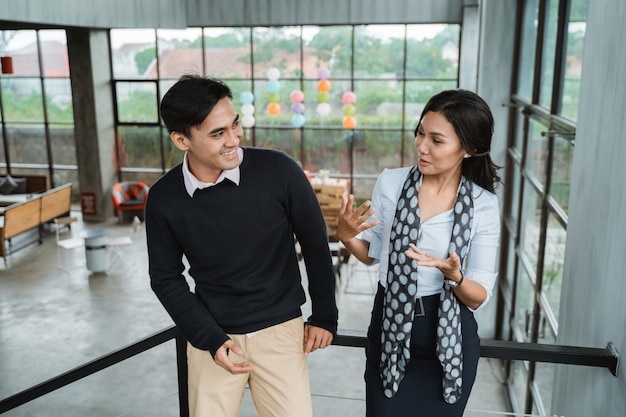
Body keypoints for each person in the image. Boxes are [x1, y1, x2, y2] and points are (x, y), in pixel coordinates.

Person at [145, 75, 338, 417]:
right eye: (217, 134)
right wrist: (210, 339)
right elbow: (166, 278)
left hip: (281, 333)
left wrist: (324, 315)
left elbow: (315, 244)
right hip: (213, 337)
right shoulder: (163, 198)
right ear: (181, 139)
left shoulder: (279, 170)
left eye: (235, 126)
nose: (233, 140)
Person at [337, 89, 501, 416]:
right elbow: (372, 254)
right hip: (388, 325)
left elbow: (477, 296)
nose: (422, 147)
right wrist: (346, 236)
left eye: (436, 140)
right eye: (420, 133)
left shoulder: (484, 205)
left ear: (470, 149)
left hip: (449, 335)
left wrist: (454, 276)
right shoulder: (391, 183)